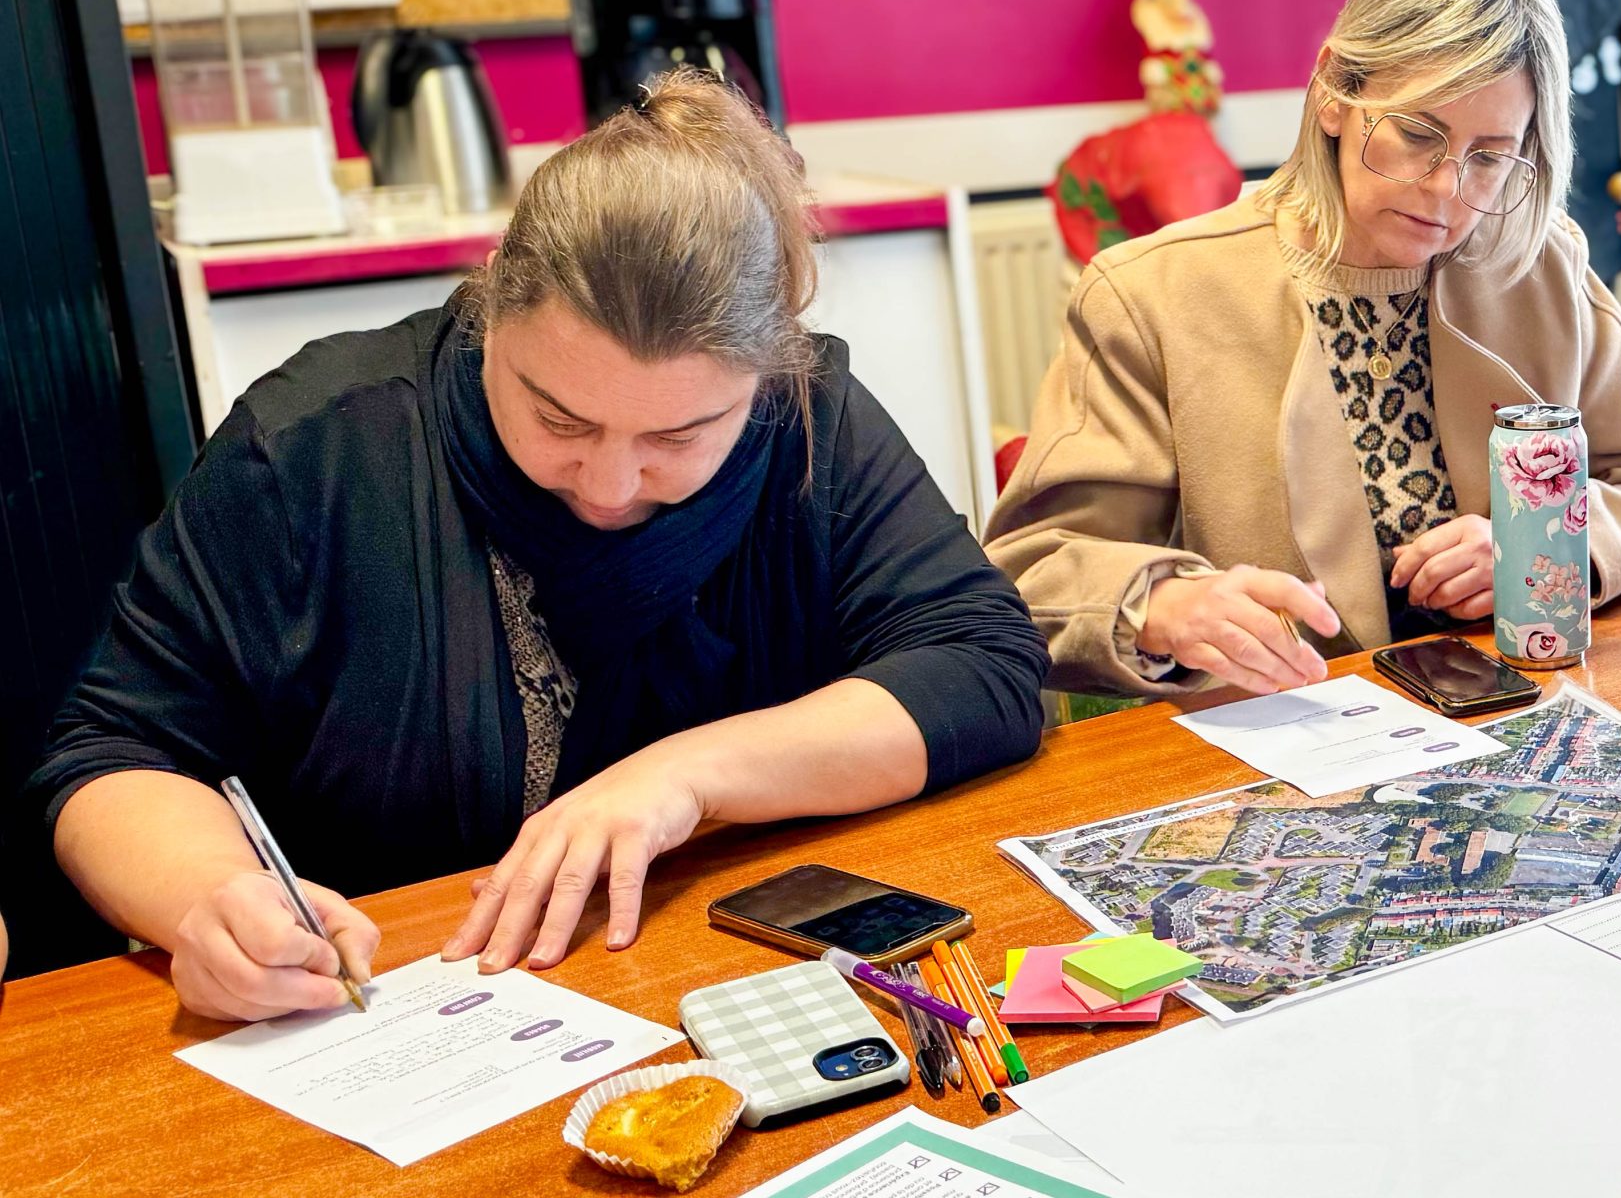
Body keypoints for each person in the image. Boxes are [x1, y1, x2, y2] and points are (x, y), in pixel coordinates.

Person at [30, 72, 1049, 1022]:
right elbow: (111, 756)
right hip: (390, 1009)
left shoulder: (809, 418)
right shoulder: (316, 449)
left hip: (718, 984)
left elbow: (984, 664)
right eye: (559, 419)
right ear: (489, 304)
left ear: (766, 374)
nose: (609, 486)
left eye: (677, 439)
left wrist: (686, 777)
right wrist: (208, 899)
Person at [986, 0, 1621, 698]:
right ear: (1333, 92)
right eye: (1417, 134)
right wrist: (1164, 604)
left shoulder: (1540, 264)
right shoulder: (1151, 294)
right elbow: (1036, 571)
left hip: (1516, 703)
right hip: (1284, 730)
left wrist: (1544, 545)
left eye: (1491, 157)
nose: (1446, 189)